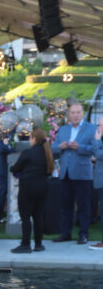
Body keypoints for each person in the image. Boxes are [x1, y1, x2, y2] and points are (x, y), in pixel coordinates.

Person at [51, 101, 96, 244]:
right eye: (73, 113)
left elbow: (95, 149)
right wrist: (61, 146)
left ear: (82, 113)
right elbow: (53, 149)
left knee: (83, 205)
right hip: (65, 173)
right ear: (68, 115)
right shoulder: (63, 129)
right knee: (66, 205)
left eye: (78, 112)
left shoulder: (91, 128)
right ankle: (66, 233)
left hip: (82, 172)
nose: (75, 115)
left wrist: (80, 147)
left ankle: (83, 234)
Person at [9, 128, 53, 252]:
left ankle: (25, 244)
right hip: (43, 187)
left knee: (26, 217)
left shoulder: (28, 153)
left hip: (27, 187)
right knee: (38, 216)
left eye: (30, 137)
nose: (29, 140)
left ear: (34, 138)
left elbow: (16, 168)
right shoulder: (47, 153)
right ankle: (38, 244)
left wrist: (12, 169)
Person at [90, 117, 103, 250]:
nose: (98, 128)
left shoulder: (99, 139)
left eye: (100, 125)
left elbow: (99, 154)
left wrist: (97, 140)